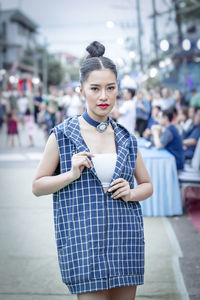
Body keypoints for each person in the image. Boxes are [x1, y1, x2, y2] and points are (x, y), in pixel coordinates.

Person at [32, 41, 153, 300]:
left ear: (118, 89)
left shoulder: (126, 138)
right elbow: (37, 186)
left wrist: (131, 193)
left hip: (125, 241)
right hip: (83, 242)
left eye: (110, 88)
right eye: (95, 88)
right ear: (81, 90)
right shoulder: (63, 135)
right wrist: (71, 174)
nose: (103, 96)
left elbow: (147, 185)